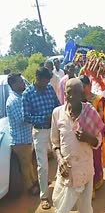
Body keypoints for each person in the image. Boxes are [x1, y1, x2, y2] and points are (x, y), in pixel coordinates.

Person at [51, 78, 104, 213]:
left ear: (82, 95)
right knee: (60, 208)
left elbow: (98, 142)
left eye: (76, 93)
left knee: (85, 209)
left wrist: (88, 138)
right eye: (69, 93)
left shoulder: (90, 113)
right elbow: (55, 142)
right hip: (66, 171)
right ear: (65, 93)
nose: (71, 96)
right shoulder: (57, 113)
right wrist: (60, 159)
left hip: (85, 171)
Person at [22, 67, 60, 210]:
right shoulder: (27, 94)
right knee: (43, 166)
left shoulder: (50, 89)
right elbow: (26, 117)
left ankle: (62, 191)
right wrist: (44, 118)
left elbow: (58, 106)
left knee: (61, 159)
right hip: (40, 132)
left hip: (54, 130)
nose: (48, 82)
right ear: (38, 79)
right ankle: (44, 196)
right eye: (46, 80)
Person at [80, 75, 105, 197]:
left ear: (89, 86)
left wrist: (89, 123)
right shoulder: (77, 100)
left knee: (95, 159)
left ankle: (96, 181)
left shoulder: (97, 99)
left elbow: (100, 116)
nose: (82, 89)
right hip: (81, 135)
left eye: (83, 86)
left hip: (94, 134)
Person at [6, 73, 39, 195]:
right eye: (20, 81)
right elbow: (22, 119)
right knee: (25, 165)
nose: (23, 83)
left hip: (25, 138)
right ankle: (30, 188)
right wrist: (36, 117)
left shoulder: (20, 97)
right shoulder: (13, 101)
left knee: (29, 163)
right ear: (13, 85)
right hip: (20, 140)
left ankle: (35, 182)